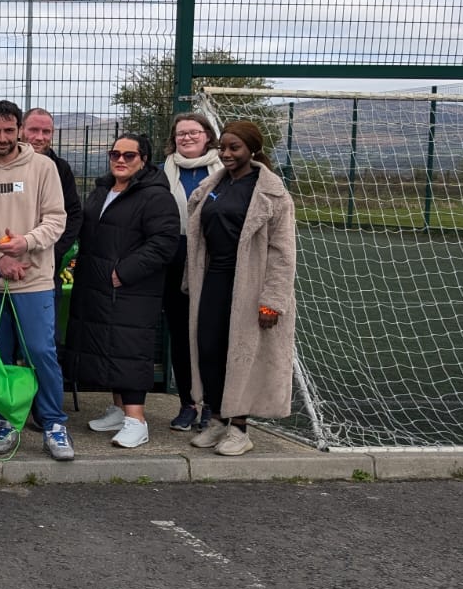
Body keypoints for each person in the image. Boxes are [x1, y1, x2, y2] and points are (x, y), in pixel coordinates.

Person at [0, 101, 73, 460]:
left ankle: (54, 424)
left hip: (34, 279)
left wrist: (25, 243)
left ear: (20, 131)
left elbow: (56, 220)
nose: (2, 138)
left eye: (9, 131)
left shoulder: (44, 168)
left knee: (41, 351)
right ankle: (4, 421)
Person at [186, 120, 297, 457]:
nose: (227, 154)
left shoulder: (271, 192)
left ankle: (240, 428)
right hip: (212, 280)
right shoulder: (212, 186)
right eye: (223, 148)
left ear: (252, 149)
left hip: (249, 284)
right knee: (210, 349)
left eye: (234, 148)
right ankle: (218, 419)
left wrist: (272, 301)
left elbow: (282, 252)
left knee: (241, 354)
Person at [64, 131, 178, 448]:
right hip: (96, 285)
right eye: (116, 154)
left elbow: (164, 243)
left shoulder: (156, 196)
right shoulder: (103, 191)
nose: (121, 160)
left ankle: (136, 420)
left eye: (129, 155)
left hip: (130, 289)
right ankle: (117, 410)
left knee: (129, 350)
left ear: (144, 159)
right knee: (108, 346)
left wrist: (123, 272)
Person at [161, 111, 224, 430]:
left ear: (208, 135)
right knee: (181, 336)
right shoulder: (163, 172)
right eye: (180, 133)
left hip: (214, 262)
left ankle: (213, 404)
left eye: (193, 132)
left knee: (210, 336)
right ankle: (188, 403)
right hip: (174, 259)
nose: (186, 138)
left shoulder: (224, 171)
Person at [21, 107, 84, 296]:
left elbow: (73, 214)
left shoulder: (61, 169)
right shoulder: (2, 166)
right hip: (6, 264)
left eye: (46, 131)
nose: (40, 137)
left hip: (47, 267)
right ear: (21, 130)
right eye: (33, 130)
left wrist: (55, 253)